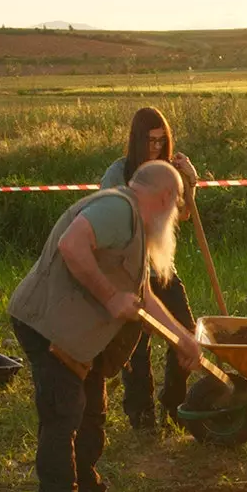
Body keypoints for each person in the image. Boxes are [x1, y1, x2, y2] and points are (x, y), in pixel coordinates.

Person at [9, 161, 204, 492]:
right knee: (63, 418)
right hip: (48, 327)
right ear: (167, 198)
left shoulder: (132, 225)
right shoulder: (118, 209)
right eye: (178, 203)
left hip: (78, 339)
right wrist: (109, 297)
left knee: (92, 410)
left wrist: (183, 339)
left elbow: (144, 297)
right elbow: (71, 245)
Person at [100, 107, 201, 431]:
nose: (156, 147)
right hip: (129, 272)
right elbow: (108, 221)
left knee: (184, 333)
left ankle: (175, 403)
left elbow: (182, 215)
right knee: (136, 346)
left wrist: (190, 180)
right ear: (137, 140)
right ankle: (140, 414)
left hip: (162, 270)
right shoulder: (118, 173)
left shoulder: (169, 170)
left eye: (162, 140)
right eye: (150, 141)